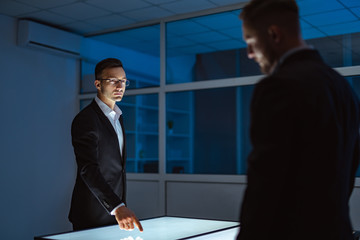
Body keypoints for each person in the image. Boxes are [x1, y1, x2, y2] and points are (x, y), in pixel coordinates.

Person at [237, 0, 360, 239]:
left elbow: (265, 187)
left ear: (274, 34)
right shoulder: (342, 87)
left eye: (251, 42)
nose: (250, 54)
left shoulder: (279, 86)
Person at [69, 58, 143, 232]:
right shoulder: (86, 120)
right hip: (91, 214)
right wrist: (117, 206)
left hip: (114, 213)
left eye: (123, 81)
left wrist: (119, 206)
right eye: (112, 80)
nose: (120, 86)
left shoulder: (118, 117)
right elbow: (88, 168)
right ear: (97, 84)